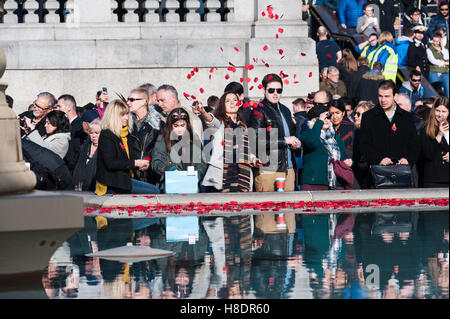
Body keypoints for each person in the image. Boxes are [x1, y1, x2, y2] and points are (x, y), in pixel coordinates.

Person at [95, 99, 160, 196]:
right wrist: (135, 163)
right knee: (155, 191)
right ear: (114, 116)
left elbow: (129, 158)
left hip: (125, 180)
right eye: (122, 115)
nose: (126, 118)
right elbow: (111, 163)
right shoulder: (107, 135)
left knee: (154, 189)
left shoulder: (126, 134)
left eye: (127, 114)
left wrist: (141, 164)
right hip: (112, 183)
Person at [249, 73, 301, 192]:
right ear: (264, 90)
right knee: (267, 209)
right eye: (271, 90)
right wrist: (285, 141)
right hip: (267, 170)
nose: (275, 93)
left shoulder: (286, 110)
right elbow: (256, 141)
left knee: (289, 209)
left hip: (288, 169)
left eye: (279, 90)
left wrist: (295, 143)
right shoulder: (259, 110)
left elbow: (291, 136)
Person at [201, 92, 261, 192]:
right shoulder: (219, 122)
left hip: (242, 177)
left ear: (239, 104)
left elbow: (245, 151)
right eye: (228, 101)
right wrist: (203, 112)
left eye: (234, 100)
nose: (232, 103)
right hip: (221, 177)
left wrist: (254, 159)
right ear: (222, 105)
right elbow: (210, 120)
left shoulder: (243, 126)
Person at [359, 80, 420, 169]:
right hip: (378, 171)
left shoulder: (406, 117)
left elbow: (415, 144)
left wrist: (408, 159)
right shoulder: (368, 117)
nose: (383, 100)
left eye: (387, 96)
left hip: (402, 170)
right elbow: (364, 145)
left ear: (395, 96)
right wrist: (379, 159)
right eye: (380, 96)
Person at [151, 108, 206, 191]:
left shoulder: (194, 138)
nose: (179, 129)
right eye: (176, 126)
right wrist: (170, 169)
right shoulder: (163, 139)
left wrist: (197, 174)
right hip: (170, 184)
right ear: (171, 126)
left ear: (187, 125)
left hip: (192, 185)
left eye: (182, 125)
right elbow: (156, 162)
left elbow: (201, 162)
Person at [300, 105, 352, 190]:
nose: (326, 120)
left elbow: (343, 158)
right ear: (313, 121)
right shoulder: (308, 134)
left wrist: (349, 162)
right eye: (322, 118)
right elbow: (311, 142)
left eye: (328, 118)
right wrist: (320, 122)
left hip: (336, 184)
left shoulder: (336, 139)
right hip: (313, 184)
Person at [127, 88, 162, 184]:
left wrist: (150, 164)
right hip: (129, 175)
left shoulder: (157, 125)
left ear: (144, 102)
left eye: (132, 100)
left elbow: (162, 151)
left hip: (151, 177)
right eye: (128, 99)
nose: (128, 103)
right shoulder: (125, 124)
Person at [419, 96, 449, 187]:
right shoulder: (426, 128)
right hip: (433, 179)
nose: (440, 115)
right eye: (437, 110)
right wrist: (439, 134)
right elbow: (428, 154)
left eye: (444, 111)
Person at [55, 94, 87, 174]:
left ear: (69, 107)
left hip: (72, 171)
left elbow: (75, 152)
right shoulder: (64, 125)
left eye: (59, 106)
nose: (57, 109)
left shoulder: (78, 126)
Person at [72, 119, 101, 191]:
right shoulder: (83, 148)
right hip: (79, 187)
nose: (94, 136)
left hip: (95, 188)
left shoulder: (105, 150)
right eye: (91, 133)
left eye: (97, 133)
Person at [352, 101, 375, 188]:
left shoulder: (373, 133)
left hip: (371, 176)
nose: (355, 116)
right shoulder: (357, 132)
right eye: (355, 113)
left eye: (358, 114)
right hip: (360, 176)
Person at [427, 32, 449, 96]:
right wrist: (444, 63)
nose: (435, 43)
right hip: (434, 73)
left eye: (437, 41)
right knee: (434, 93)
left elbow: (446, 57)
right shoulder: (429, 49)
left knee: (447, 92)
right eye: (434, 41)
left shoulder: (444, 49)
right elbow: (432, 61)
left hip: (445, 73)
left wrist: (442, 47)